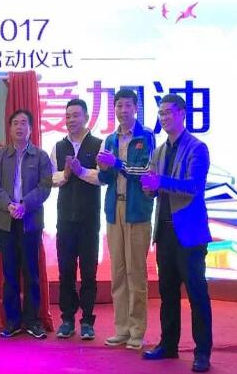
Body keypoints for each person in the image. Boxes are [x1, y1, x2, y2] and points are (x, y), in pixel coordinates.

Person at [141, 94, 213, 373]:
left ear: (182, 113)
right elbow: (155, 187)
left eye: (168, 112)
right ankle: (168, 344)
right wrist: (149, 188)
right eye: (160, 113)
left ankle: (202, 352)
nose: (164, 118)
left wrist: (160, 181)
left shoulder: (197, 147)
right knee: (167, 293)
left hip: (190, 234)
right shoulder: (159, 150)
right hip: (165, 233)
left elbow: (194, 186)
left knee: (197, 294)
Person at [97, 89, 155, 350]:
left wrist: (116, 164)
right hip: (114, 210)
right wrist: (104, 168)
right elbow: (106, 179)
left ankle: (137, 331)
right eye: (118, 106)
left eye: (127, 106)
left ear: (136, 108)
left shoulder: (146, 137)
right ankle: (121, 328)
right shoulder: (110, 139)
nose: (122, 111)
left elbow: (143, 172)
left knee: (136, 272)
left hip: (137, 211)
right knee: (118, 271)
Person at [0, 109, 52, 339]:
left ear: (31, 129)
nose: (19, 127)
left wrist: (25, 204)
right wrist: (9, 204)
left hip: (30, 221)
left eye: (24, 123)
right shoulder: (1, 155)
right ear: (10, 128)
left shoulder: (40, 156)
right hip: (6, 221)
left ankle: (33, 321)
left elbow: (45, 187)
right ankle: (12, 321)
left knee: (31, 272)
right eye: (15, 123)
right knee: (10, 273)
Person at [50, 99, 103, 340]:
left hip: (89, 219)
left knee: (89, 272)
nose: (71, 120)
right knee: (66, 270)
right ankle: (67, 319)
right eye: (68, 116)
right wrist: (66, 173)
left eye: (76, 115)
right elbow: (51, 178)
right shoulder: (59, 146)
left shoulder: (98, 144)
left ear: (86, 117)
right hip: (65, 219)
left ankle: (88, 320)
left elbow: (102, 177)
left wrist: (81, 171)